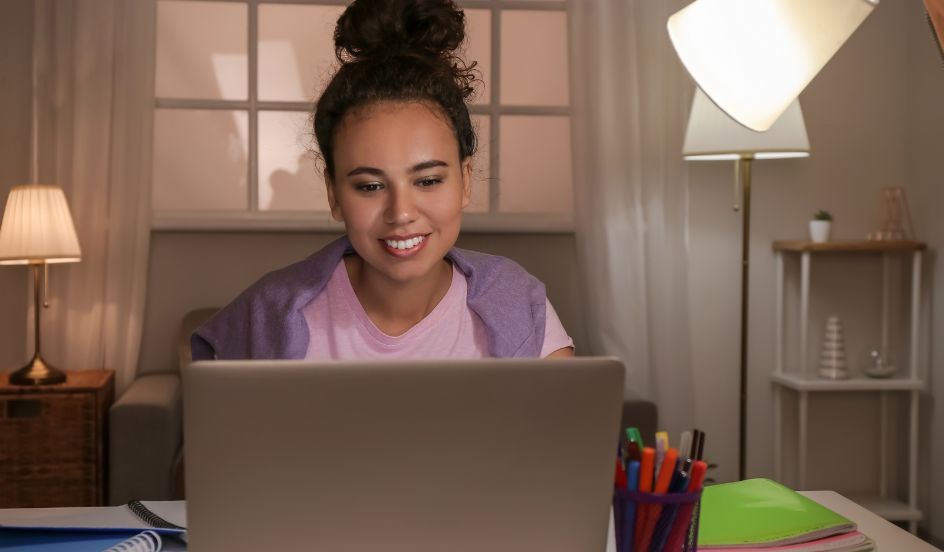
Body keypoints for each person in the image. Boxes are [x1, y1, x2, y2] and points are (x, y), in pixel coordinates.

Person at [191, 0, 573, 360]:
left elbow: (569, 428)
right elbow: (216, 417)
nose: (401, 213)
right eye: (370, 186)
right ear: (334, 194)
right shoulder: (270, 313)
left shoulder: (519, 304)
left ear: (465, 181)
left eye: (428, 181)